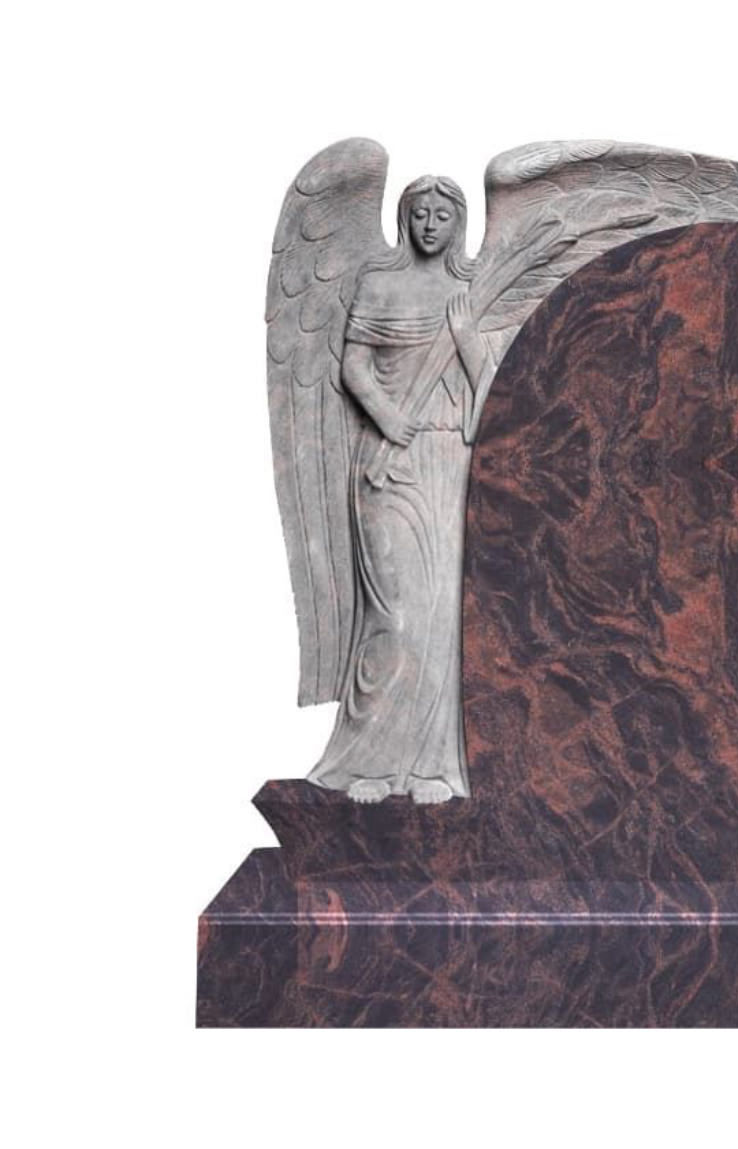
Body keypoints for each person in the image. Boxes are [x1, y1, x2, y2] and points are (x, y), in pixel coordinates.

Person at [308, 176, 492, 804]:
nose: (431, 225)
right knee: (397, 614)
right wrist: (387, 416)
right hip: (390, 464)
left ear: (459, 223)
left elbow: (493, 385)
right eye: (421, 213)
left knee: (444, 617)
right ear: (403, 218)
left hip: (450, 460)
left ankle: (434, 766)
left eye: (443, 215)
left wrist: (467, 339)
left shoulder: (469, 291)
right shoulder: (378, 285)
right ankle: (373, 761)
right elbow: (353, 364)